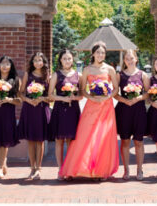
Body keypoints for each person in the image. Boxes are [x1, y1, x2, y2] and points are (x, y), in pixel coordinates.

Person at [59, 41, 118, 180]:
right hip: (91, 105)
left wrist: (107, 97)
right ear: (93, 53)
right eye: (98, 52)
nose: (100, 55)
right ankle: (78, 168)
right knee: (85, 135)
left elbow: (115, 88)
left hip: (106, 106)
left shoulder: (110, 69)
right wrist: (91, 97)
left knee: (103, 137)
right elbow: (82, 89)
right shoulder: (87, 69)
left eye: (103, 53)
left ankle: (101, 170)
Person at [115, 47, 149, 180]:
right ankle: (126, 170)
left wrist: (138, 98)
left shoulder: (142, 75)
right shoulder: (120, 75)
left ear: (136, 59)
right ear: (124, 60)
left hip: (139, 110)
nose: (129, 61)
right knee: (125, 141)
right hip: (124, 110)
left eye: (132, 58)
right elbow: (115, 94)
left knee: (139, 141)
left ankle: (139, 170)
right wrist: (125, 100)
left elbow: (148, 93)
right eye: (127, 58)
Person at [18, 51, 51, 179]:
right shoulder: (28, 75)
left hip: (42, 109)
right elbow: (21, 93)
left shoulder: (47, 75)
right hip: (29, 108)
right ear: (32, 62)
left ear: (44, 62)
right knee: (31, 140)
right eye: (35, 60)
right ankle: (32, 168)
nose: (38, 62)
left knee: (40, 140)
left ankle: (39, 168)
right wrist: (28, 100)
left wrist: (41, 99)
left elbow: (50, 96)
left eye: (40, 60)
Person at [48, 48, 81, 167]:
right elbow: (50, 95)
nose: (67, 61)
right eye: (64, 59)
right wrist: (63, 98)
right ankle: (60, 169)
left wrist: (74, 98)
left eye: (69, 58)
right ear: (60, 60)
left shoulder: (78, 75)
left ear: (73, 60)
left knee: (71, 140)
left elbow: (82, 95)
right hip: (60, 110)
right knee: (59, 140)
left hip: (73, 110)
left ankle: (70, 167)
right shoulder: (56, 75)